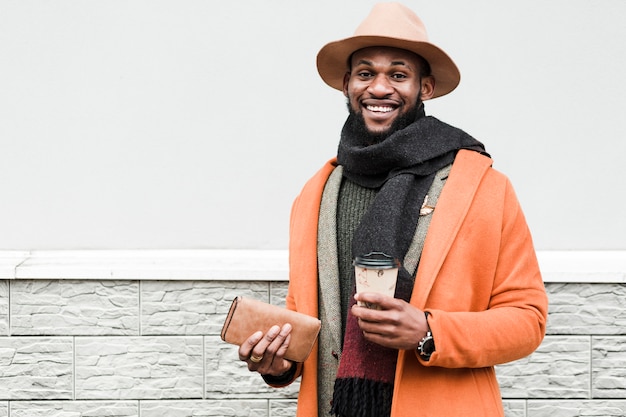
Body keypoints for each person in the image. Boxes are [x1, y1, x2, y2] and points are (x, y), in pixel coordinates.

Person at [237, 3, 548, 416]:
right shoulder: (316, 193)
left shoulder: (484, 188)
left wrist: (429, 331)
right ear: (347, 83)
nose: (380, 89)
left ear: (426, 88)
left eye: (398, 75)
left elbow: (527, 320)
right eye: (366, 73)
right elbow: (312, 321)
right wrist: (280, 363)